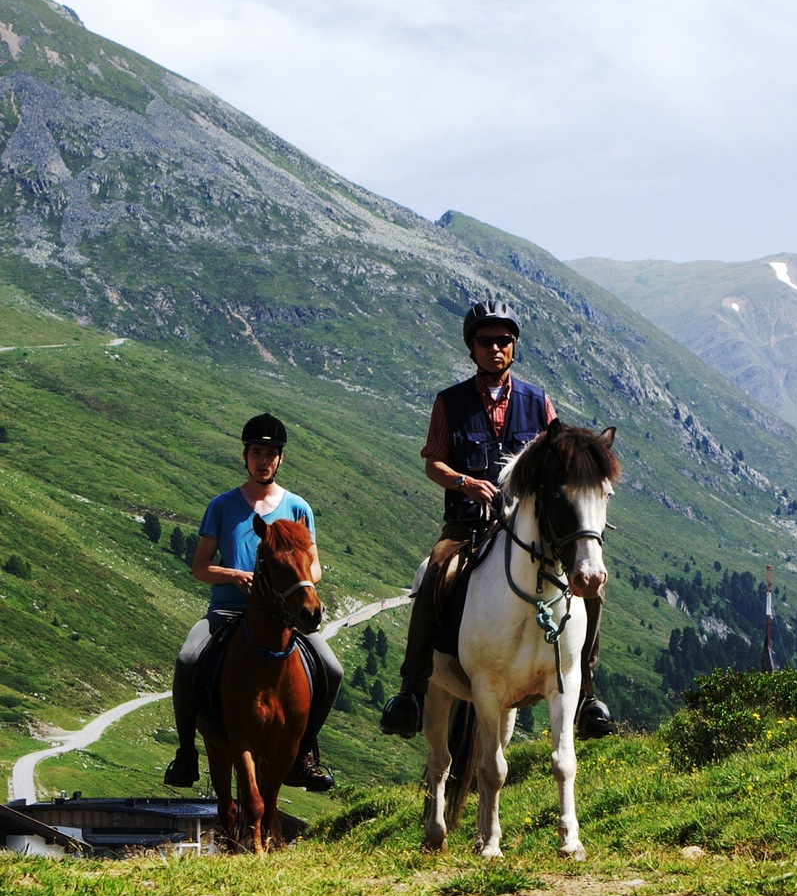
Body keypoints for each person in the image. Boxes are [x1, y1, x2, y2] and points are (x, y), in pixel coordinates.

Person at [379, 299, 616, 741]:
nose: (495, 348)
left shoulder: (538, 402)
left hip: (529, 528)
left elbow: (559, 459)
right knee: (434, 574)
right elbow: (433, 463)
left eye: (504, 341)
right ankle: (410, 691)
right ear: (472, 347)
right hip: (467, 525)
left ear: (514, 347)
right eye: (486, 341)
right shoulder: (449, 403)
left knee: (591, 588)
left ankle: (586, 695)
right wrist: (465, 483)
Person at [164, 413, 344, 791]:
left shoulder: (298, 508)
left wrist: (297, 589)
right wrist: (235, 575)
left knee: (332, 669)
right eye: (257, 452)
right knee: (187, 659)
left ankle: (306, 753)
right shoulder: (222, 506)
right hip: (227, 611)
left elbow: (314, 567)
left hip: (282, 617)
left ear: (281, 459)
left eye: (271, 453)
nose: (263, 460)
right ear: (244, 456)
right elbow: (200, 567)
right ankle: (185, 754)